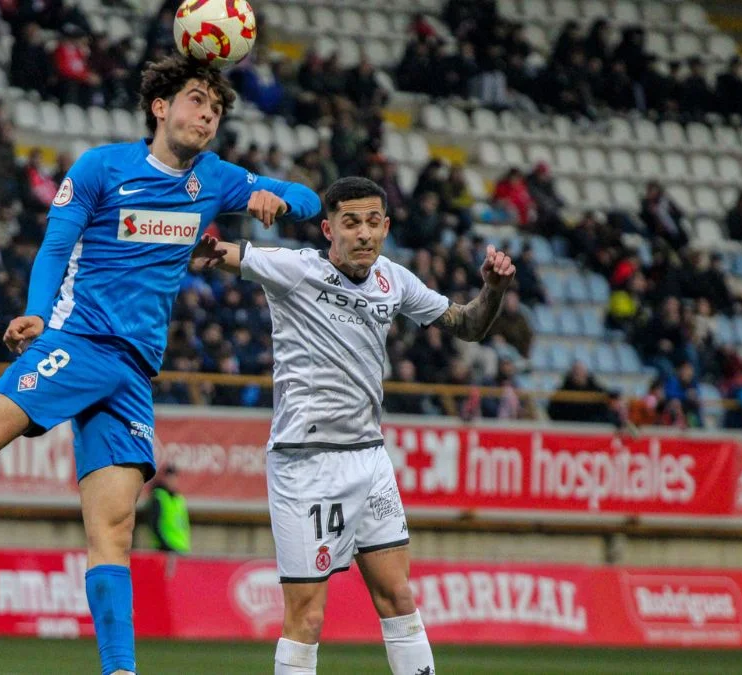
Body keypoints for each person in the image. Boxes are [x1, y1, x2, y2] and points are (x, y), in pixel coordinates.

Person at [0, 55, 321, 675]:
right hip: (79, 343)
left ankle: (119, 671)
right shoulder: (101, 167)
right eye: (195, 100)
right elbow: (55, 247)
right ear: (160, 106)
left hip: (133, 375)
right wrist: (37, 315)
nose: (207, 115)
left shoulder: (215, 178)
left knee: (115, 532)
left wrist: (274, 199)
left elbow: (311, 199)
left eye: (215, 109)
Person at [192, 177, 516, 675]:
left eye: (372, 223)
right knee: (307, 616)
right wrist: (198, 245)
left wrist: (492, 290)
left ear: (385, 227)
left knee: (397, 595)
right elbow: (224, 254)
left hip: (369, 457)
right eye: (350, 223)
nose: (363, 234)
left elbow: (469, 325)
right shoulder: (296, 270)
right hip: (306, 461)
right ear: (328, 229)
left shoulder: (395, 280)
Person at [142, 465, 190, 553]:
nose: (172, 482)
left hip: (181, 548)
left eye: (174, 479)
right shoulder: (159, 497)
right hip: (165, 550)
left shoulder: (179, 499)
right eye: (170, 478)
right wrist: (165, 546)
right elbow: (154, 525)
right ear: (164, 479)